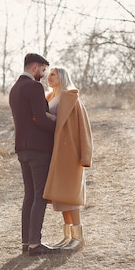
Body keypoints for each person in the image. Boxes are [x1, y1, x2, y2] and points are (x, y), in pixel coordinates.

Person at [8, 53, 60, 256]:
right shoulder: (34, 87)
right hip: (38, 149)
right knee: (40, 195)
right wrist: (59, 126)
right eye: (43, 69)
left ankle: (26, 243)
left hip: (22, 148)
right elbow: (39, 118)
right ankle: (35, 245)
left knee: (29, 195)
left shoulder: (14, 89)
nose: (44, 74)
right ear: (34, 68)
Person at [43, 66, 93, 250]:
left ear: (62, 77)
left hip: (70, 153)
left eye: (53, 74)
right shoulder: (49, 97)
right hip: (56, 152)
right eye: (48, 74)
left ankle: (78, 238)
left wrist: (85, 155)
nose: (49, 77)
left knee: (70, 196)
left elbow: (84, 127)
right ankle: (67, 236)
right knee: (61, 196)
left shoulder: (71, 97)